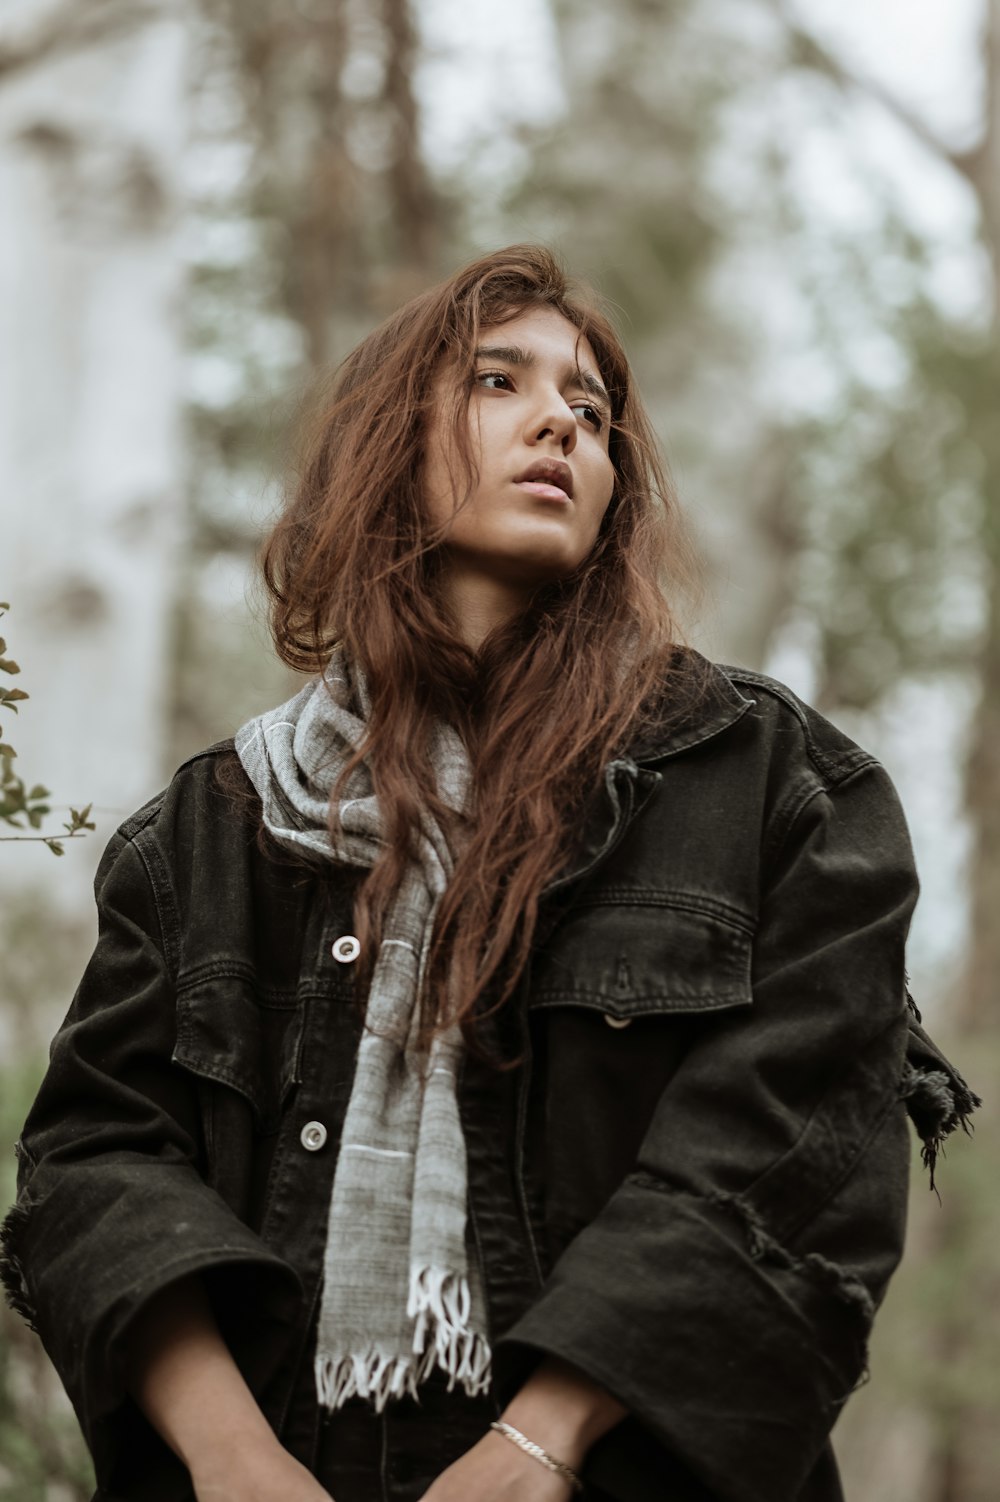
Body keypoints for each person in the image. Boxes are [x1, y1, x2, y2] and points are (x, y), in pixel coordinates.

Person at [0, 245, 979, 1502]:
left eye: (591, 407)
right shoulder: (213, 821)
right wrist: (233, 1458)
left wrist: (539, 1444)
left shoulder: (771, 783)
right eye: (496, 381)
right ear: (384, 445)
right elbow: (96, 1160)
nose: (560, 422)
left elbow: (796, 1151)